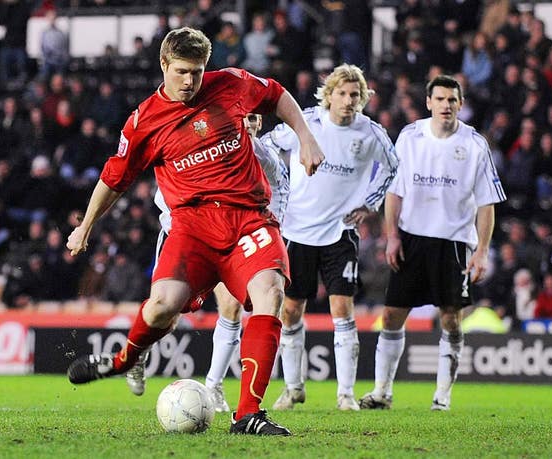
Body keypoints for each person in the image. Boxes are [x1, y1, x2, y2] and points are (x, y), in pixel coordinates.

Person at [65, 27, 324, 436]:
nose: (190, 81)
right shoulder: (143, 122)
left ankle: (247, 414)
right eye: (182, 72)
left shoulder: (231, 84)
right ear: (164, 65)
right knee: (161, 307)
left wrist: (306, 138)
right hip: (192, 228)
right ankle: (125, 361)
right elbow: (114, 179)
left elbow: (276, 95)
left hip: (248, 219)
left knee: (270, 294)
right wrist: (85, 225)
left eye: (198, 72)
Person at [358, 75, 506, 411]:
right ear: (428, 102)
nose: (446, 105)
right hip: (411, 238)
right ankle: (382, 391)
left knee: (452, 318)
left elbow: (487, 204)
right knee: (393, 314)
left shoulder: (474, 144)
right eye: (439, 99)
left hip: (452, 242)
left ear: (460, 104)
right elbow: (395, 192)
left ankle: (442, 396)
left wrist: (481, 250)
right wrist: (392, 235)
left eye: (452, 100)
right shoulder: (410, 137)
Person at [127, 113, 290, 414]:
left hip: (239, 237)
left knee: (232, 306)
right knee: (168, 312)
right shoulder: (203, 143)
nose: (250, 123)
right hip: (187, 234)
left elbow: (281, 190)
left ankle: (214, 385)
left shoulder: (265, 157)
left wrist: (270, 232)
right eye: (245, 117)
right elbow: (165, 191)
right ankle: (139, 353)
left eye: (255, 118)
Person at [264, 64, 398, 411]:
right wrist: (280, 185)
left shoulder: (370, 132)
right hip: (297, 230)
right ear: (329, 94)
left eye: (355, 95)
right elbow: (265, 146)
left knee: (343, 308)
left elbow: (393, 166)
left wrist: (370, 203)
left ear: (363, 97)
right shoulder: (305, 122)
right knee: (291, 309)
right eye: (342, 93)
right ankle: (293, 388)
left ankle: (346, 395)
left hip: (341, 233)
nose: (349, 100)